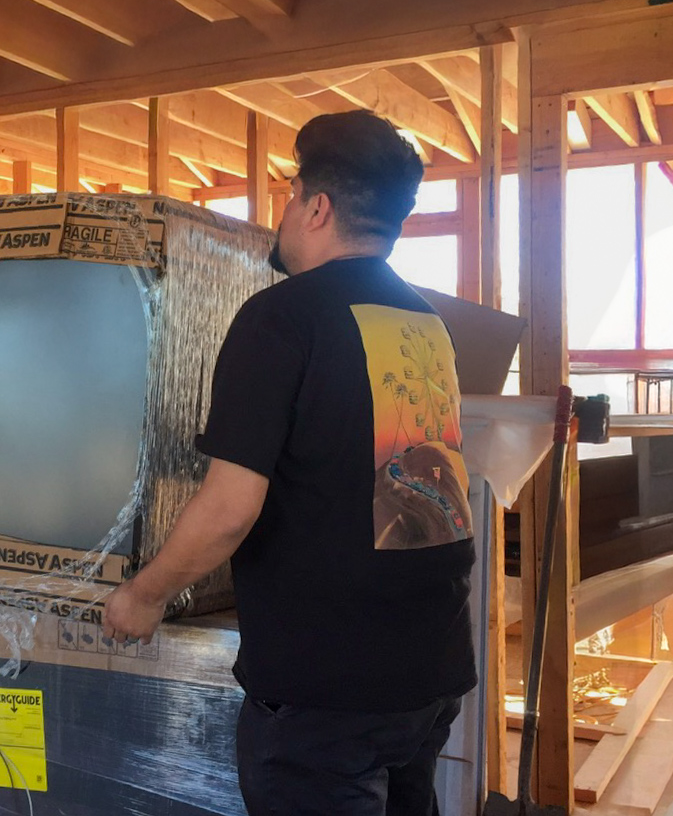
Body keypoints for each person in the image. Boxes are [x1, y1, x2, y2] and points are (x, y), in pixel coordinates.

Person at [102, 110, 475, 816]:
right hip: (429, 665)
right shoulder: (424, 323)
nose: (285, 209)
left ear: (317, 207)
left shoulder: (281, 317)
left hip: (327, 688)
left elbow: (229, 508)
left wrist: (143, 595)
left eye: (291, 193)